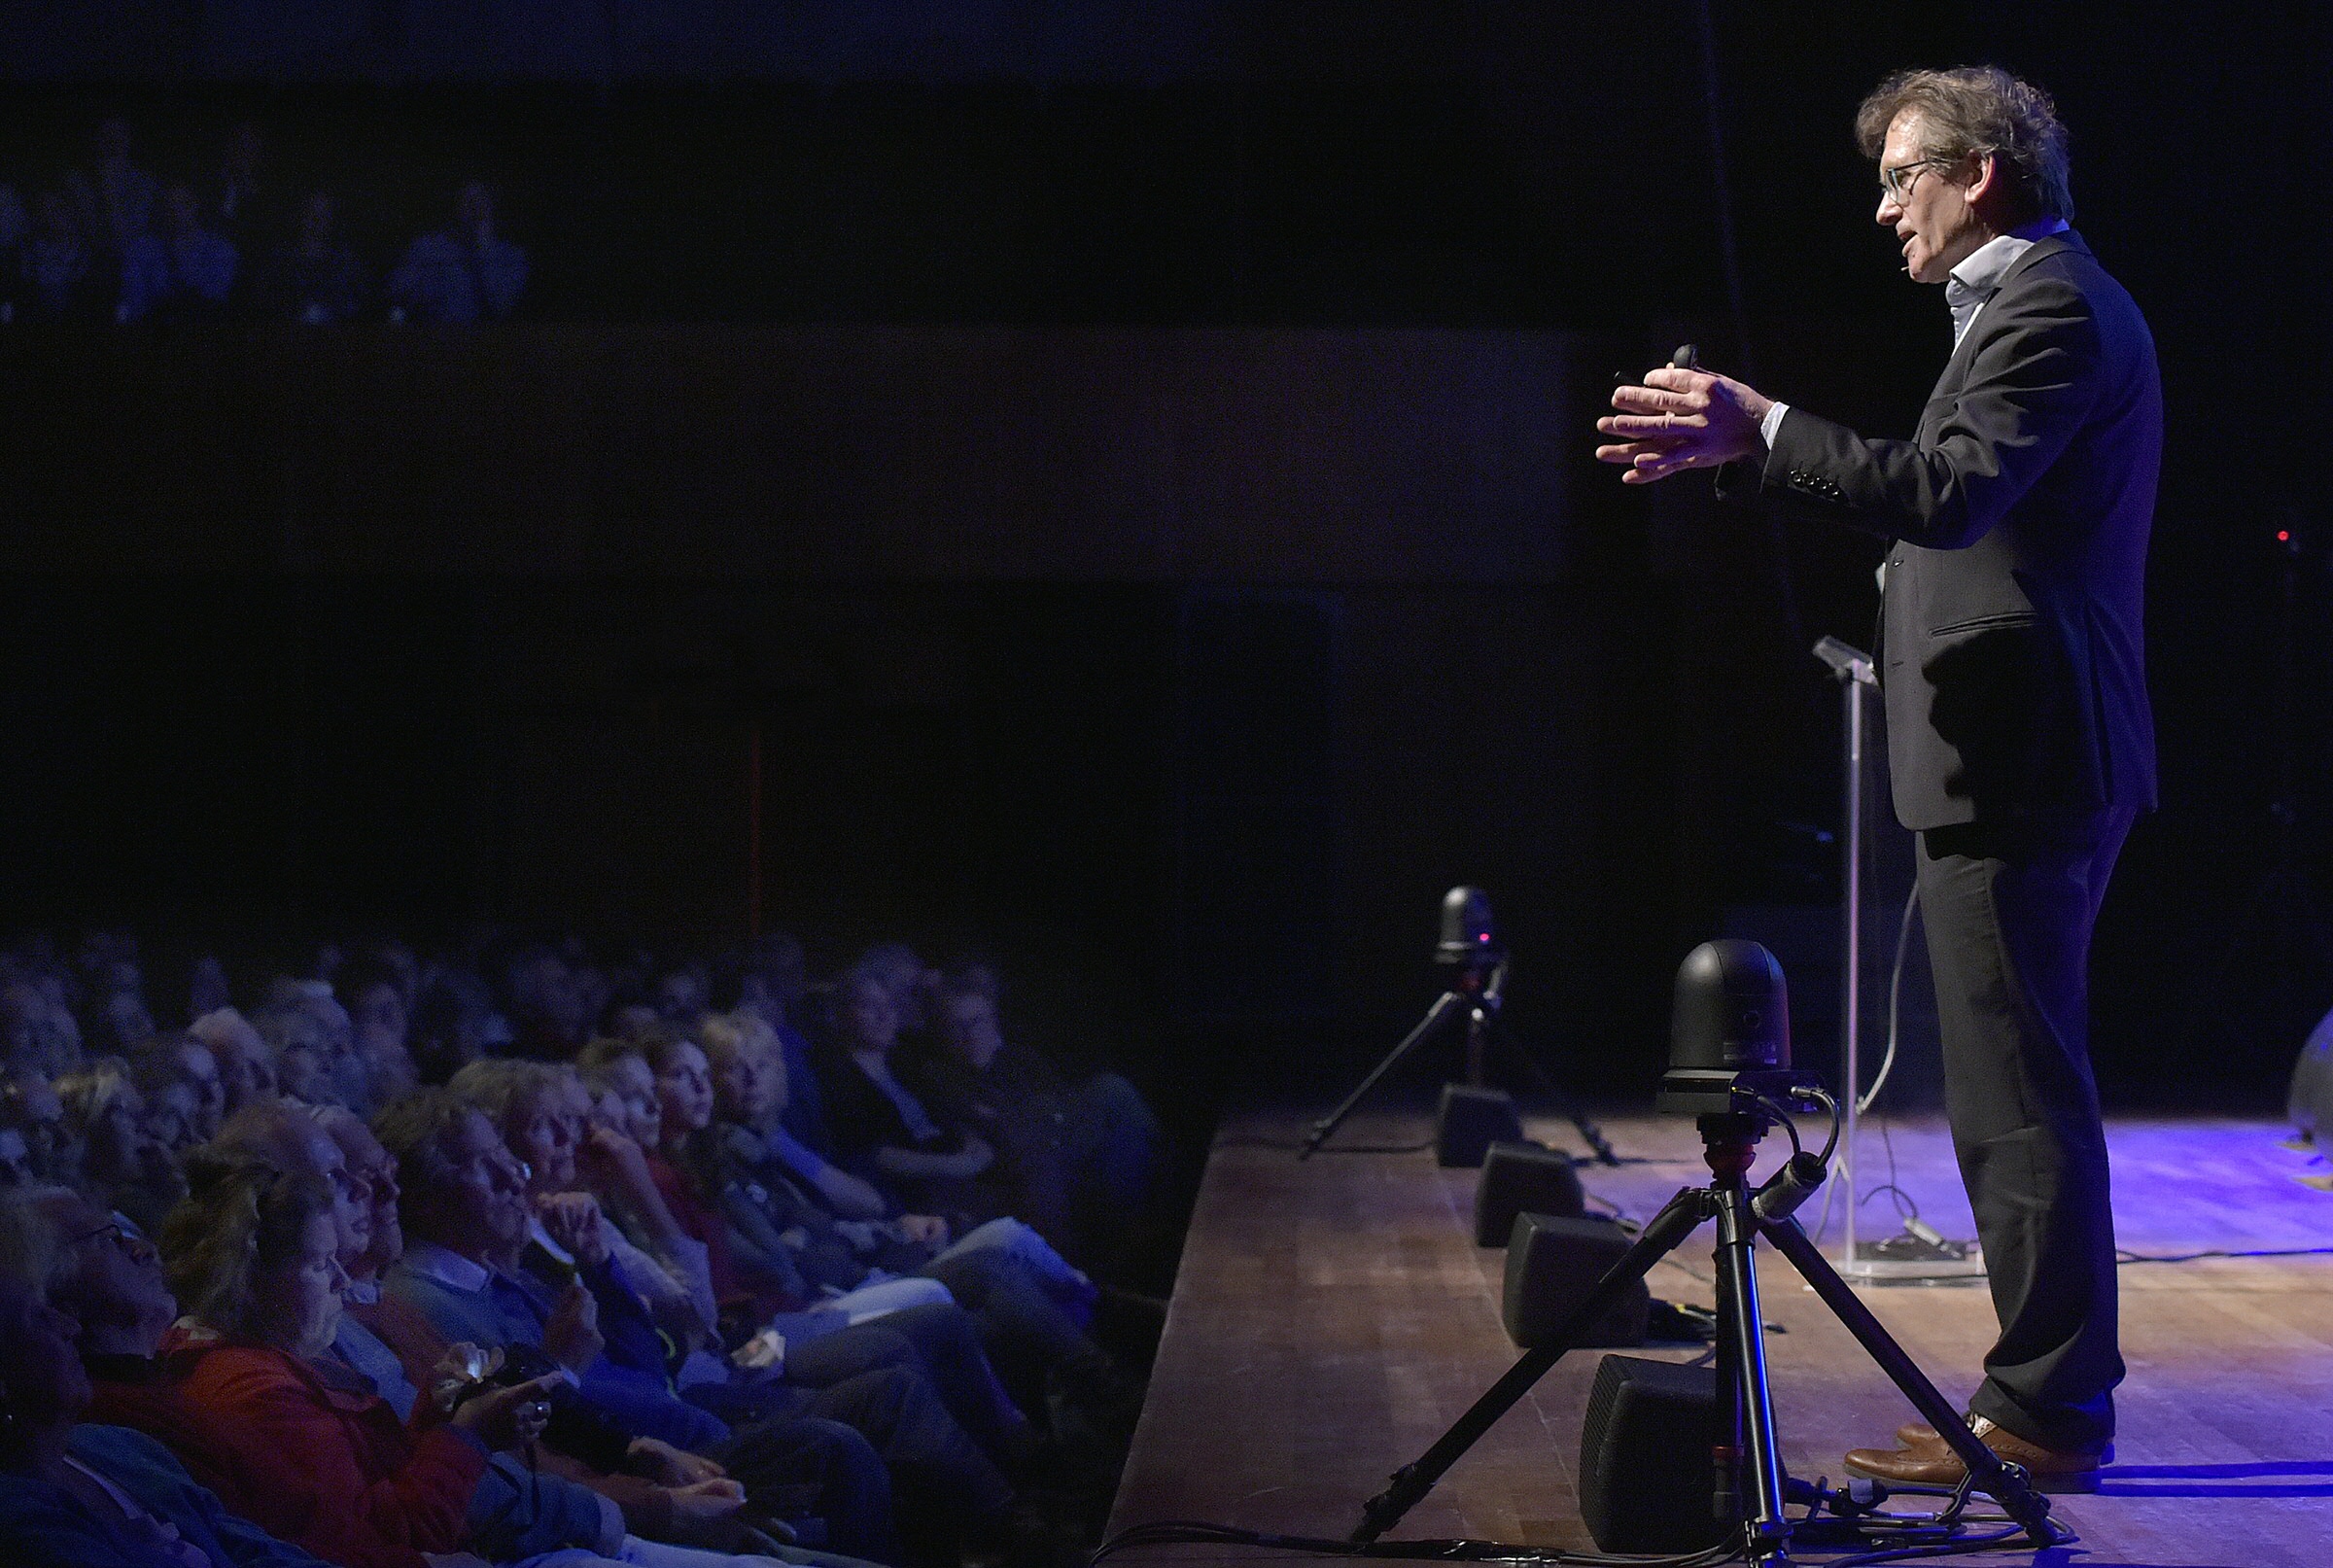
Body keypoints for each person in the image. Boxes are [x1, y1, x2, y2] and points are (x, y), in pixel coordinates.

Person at [1593, 66, 2157, 1490]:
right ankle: (2045, 1397)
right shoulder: (2023, 306)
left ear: (1981, 174)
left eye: (1905, 175)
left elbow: (1951, 489)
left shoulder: (2051, 304)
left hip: (2024, 753)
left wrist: (1764, 428)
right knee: (2012, 1091)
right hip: (2006, 748)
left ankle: (2044, 1412)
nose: (1886, 207)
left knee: (2021, 1100)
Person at [388, 181, 527, 325]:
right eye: (468, 200)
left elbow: (502, 307)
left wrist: (485, 249)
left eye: (481, 200)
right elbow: (399, 294)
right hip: (432, 337)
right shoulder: (427, 248)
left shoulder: (510, 256)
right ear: (456, 205)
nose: (475, 208)